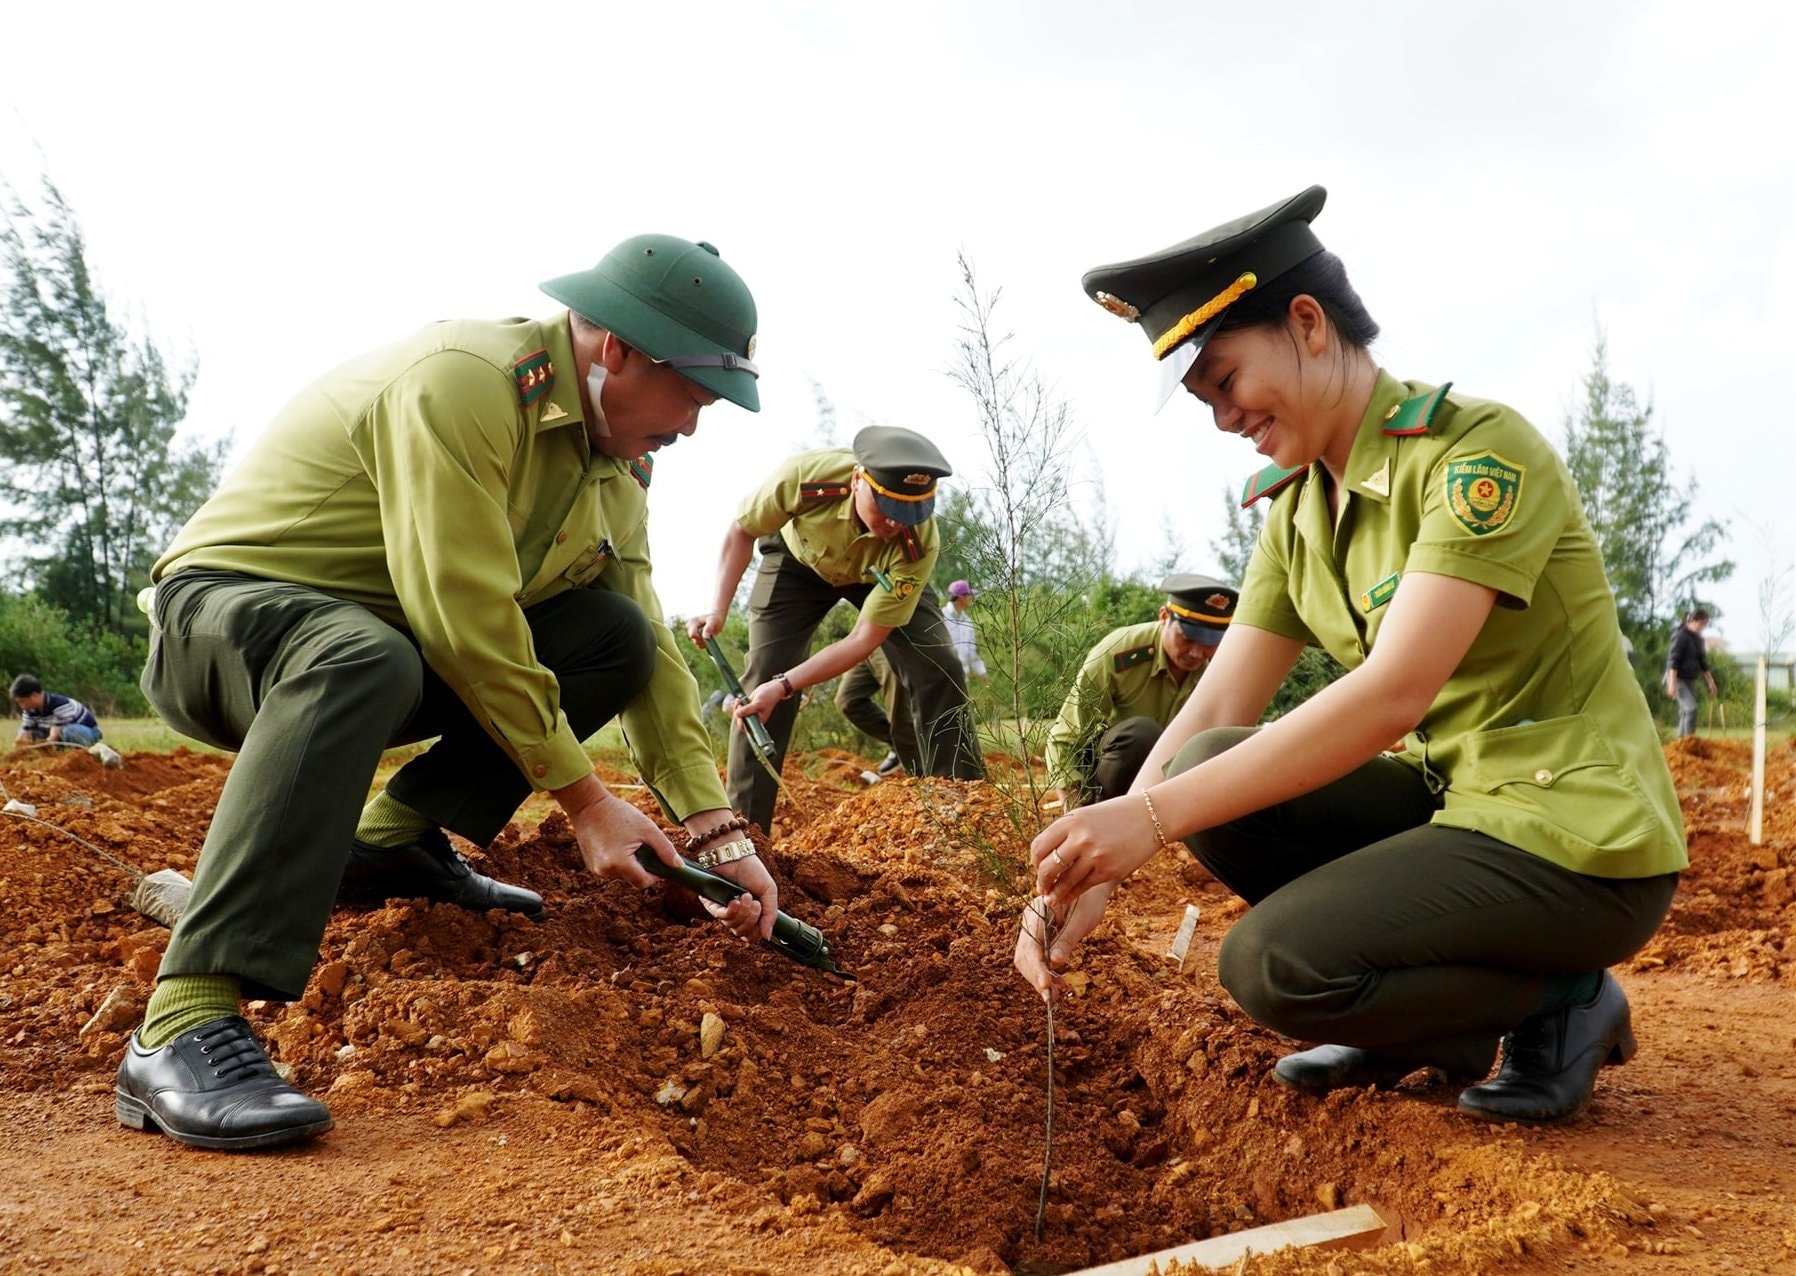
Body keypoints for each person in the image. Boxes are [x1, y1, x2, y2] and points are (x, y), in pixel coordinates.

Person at [1017, 185, 1687, 1127]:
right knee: (1205, 765)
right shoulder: (1298, 509)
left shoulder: (1473, 456)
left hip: (1573, 838)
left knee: (1271, 965)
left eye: (1225, 380)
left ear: (1307, 323)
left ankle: (1568, 1001)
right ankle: (1437, 1030)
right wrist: (1098, 867)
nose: (1223, 418)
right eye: (1204, 397)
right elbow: (1212, 709)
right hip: (1458, 811)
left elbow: (1392, 695)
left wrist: (1151, 821)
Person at [115, 233, 778, 1153]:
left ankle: (383, 849)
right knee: (364, 655)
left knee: (612, 640)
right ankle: (180, 1021)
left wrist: (715, 827)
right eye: (695, 395)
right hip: (224, 621)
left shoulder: (614, 466)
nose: (695, 425)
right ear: (617, 348)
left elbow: (652, 649)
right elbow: (464, 610)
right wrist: (585, 801)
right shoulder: (466, 382)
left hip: (378, 644)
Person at [689, 425, 985, 836]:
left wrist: (788, 685)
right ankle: (746, 830)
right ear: (857, 481)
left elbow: (865, 638)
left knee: (939, 663)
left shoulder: (916, 540)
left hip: (876, 578)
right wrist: (718, 610)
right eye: (886, 508)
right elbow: (743, 531)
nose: (896, 524)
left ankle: (965, 808)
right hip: (797, 564)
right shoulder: (805, 478)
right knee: (762, 681)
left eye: (909, 514)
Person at [1042, 574, 1237, 809]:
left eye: (1209, 643)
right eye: (1187, 639)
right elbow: (1065, 737)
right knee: (1142, 733)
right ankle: (1106, 813)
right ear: (1164, 617)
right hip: (1106, 769)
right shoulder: (1118, 653)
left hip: (1170, 776)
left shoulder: (1220, 667)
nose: (1197, 653)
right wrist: (1073, 809)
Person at [834, 648, 917, 778]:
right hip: (865, 644)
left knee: (897, 702)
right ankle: (899, 746)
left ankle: (919, 772)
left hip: (890, 640)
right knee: (847, 701)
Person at [10, 673, 104, 749]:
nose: (21, 706)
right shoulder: (30, 711)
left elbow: (54, 735)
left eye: (22, 702)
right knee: (34, 734)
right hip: (58, 736)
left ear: (34, 695)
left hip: (87, 732)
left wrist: (43, 745)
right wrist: (17, 749)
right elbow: (25, 732)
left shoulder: (60, 704)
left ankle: (88, 751)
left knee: (69, 731)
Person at [1665, 608, 1718, 738]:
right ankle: (1689, 740)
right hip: (1676, 678)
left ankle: (1681, 743)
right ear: (1692, 621)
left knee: (1685, 711)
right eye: (1701, 624)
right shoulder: (1680, 636)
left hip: (1690, 679)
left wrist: (1711, 683)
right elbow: (1673, 661)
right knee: (1691, 708)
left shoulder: (1698, 639)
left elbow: (1703, 662)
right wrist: (1672, 684)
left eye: (1704, 625)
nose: (1702, 627)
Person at [943, 579, 987, 680]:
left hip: (963, 679)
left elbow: (972, 652)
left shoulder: (968, 621)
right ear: (961, 597)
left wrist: (983, 673)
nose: (971, 598)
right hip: (944, 679)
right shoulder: (940, 617)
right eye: (969, 595)